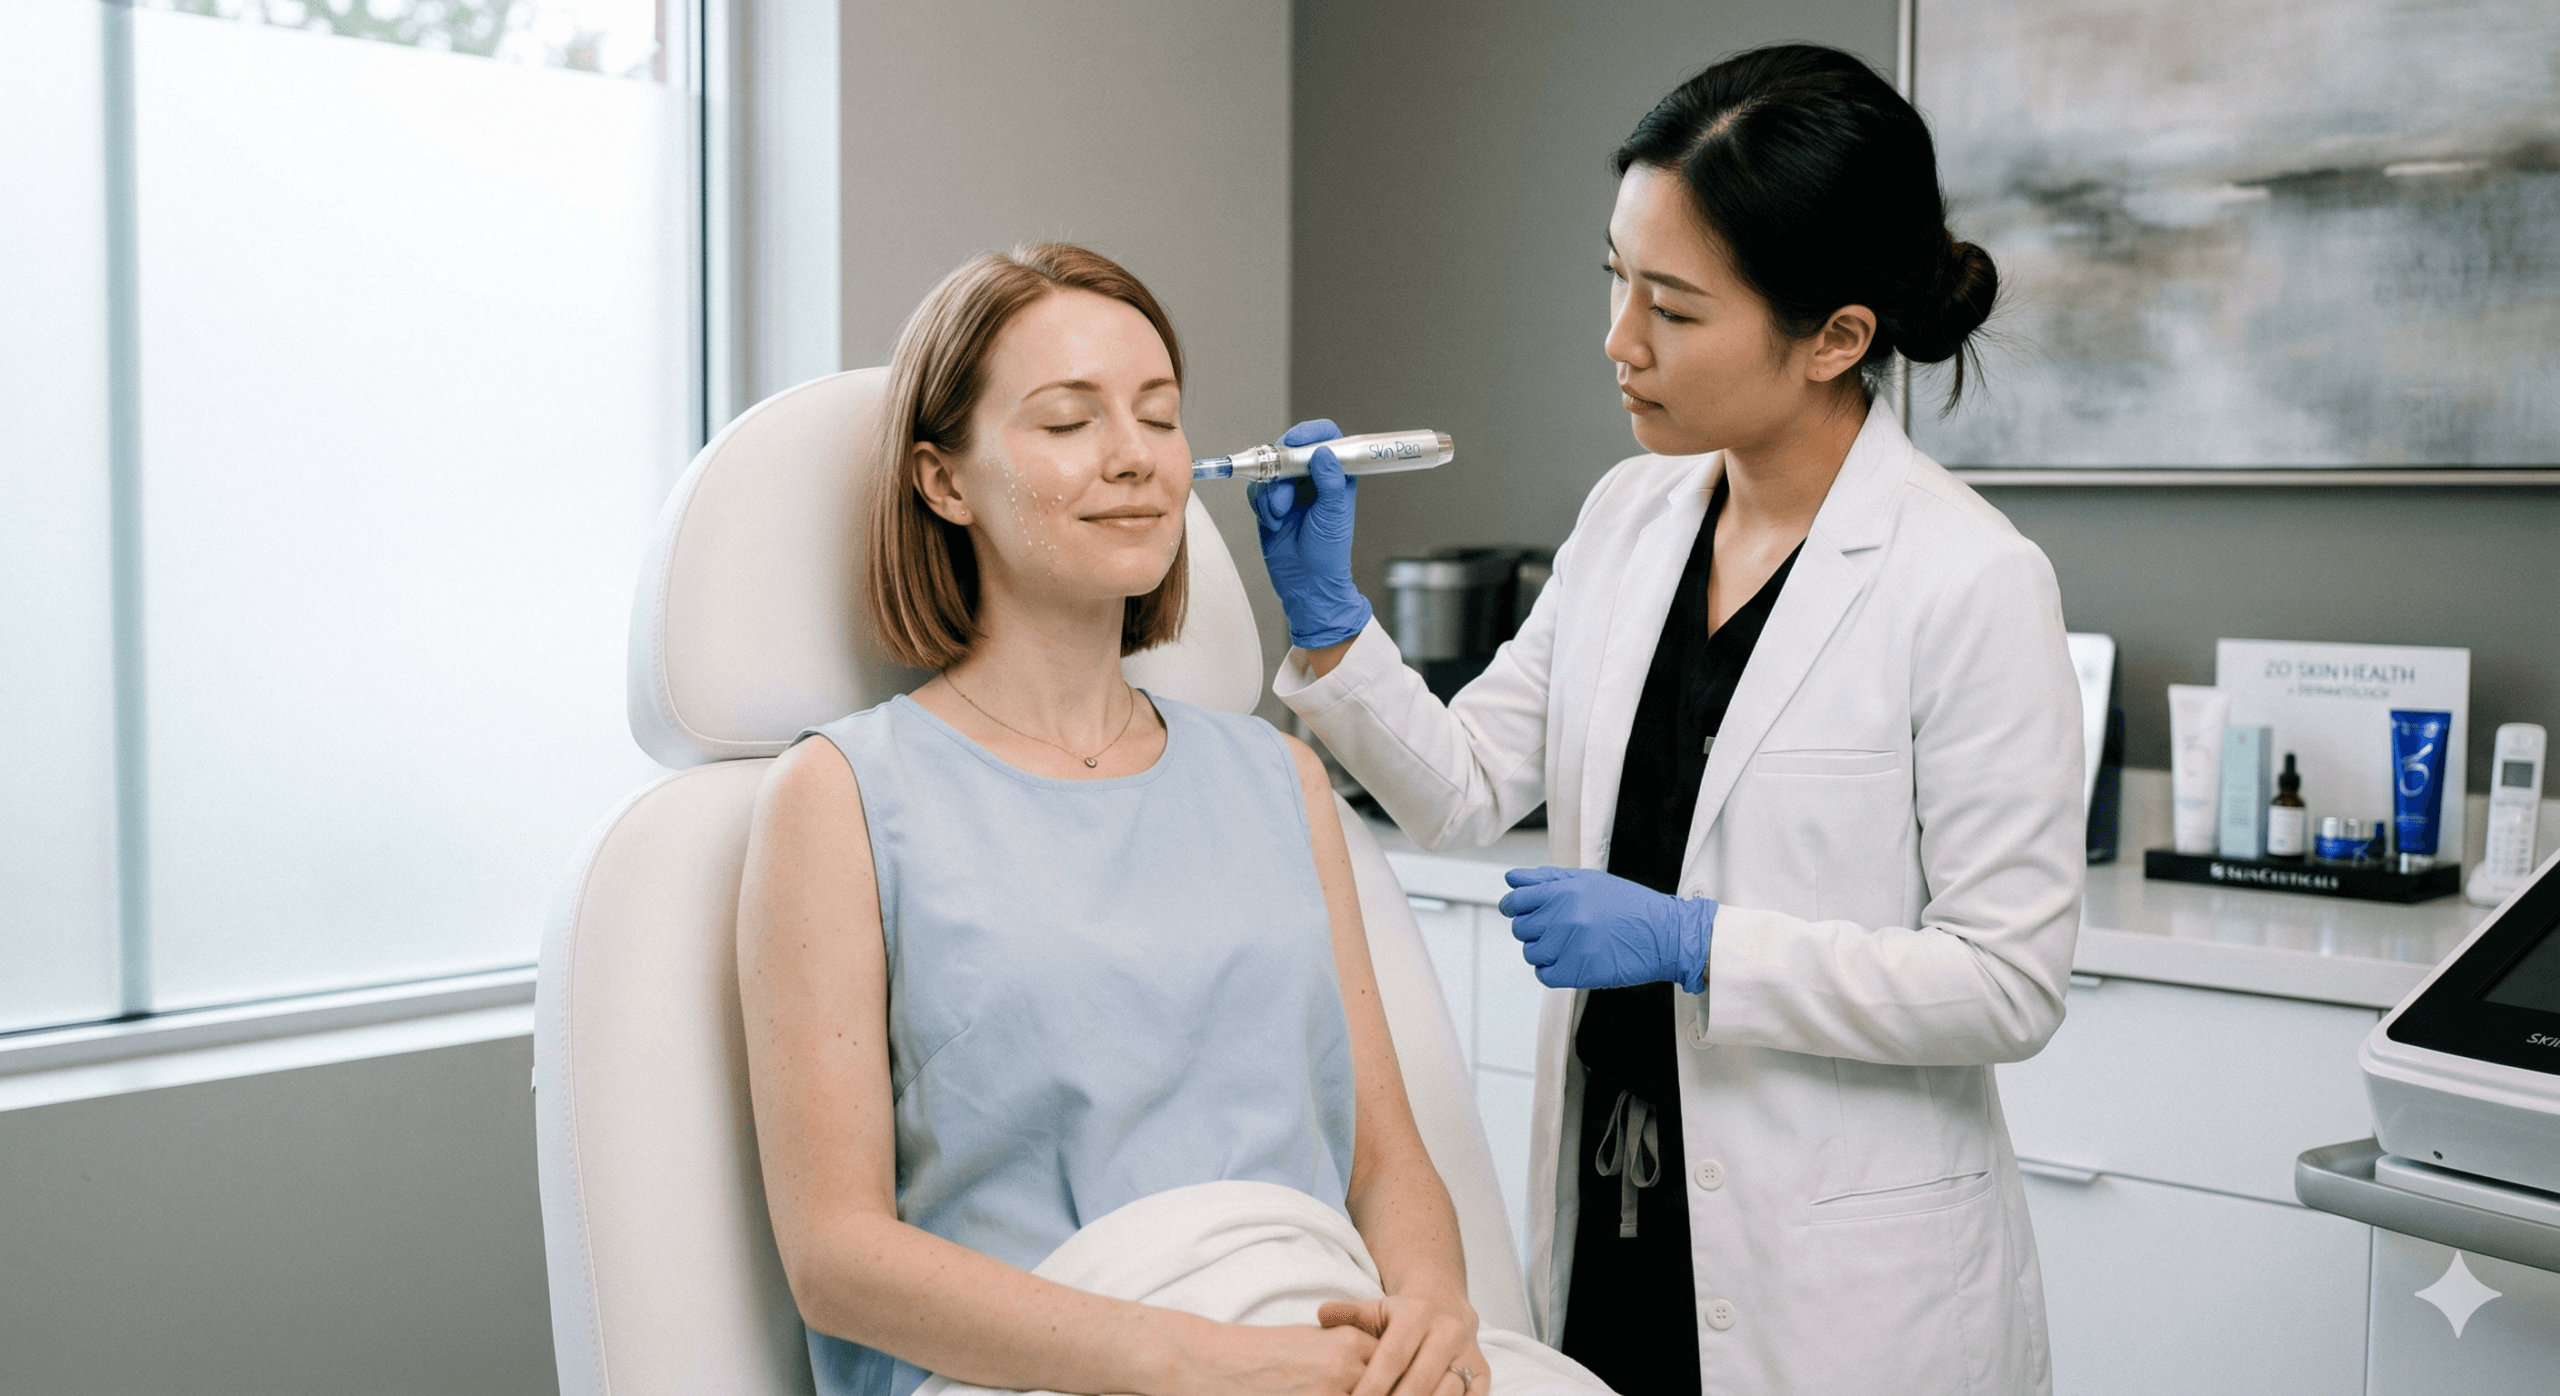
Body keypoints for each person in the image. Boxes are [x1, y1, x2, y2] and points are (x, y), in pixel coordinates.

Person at [1253, 45, 2085, 1395]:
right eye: (1615, 277)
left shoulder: (1969, 578)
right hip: (1618, 1211)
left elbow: (2005, 982)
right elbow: (1468, 787)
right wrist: (1333, 625)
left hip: (1839, 1286)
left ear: (1837, 337)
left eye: (1675, 308)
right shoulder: (1631, 517)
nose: (1619, 340)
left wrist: (1695, 945)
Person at [734, 244, 1500, 1396]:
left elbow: (1385, 1154)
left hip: (1311, 1337)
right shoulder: (841, 796)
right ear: (944, 482)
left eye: (1159, 414)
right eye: (1067, 421)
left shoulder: (1274, 779)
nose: (1136, 457)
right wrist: (1193, 1364)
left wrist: (1434, 1306)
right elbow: (838, 1259)